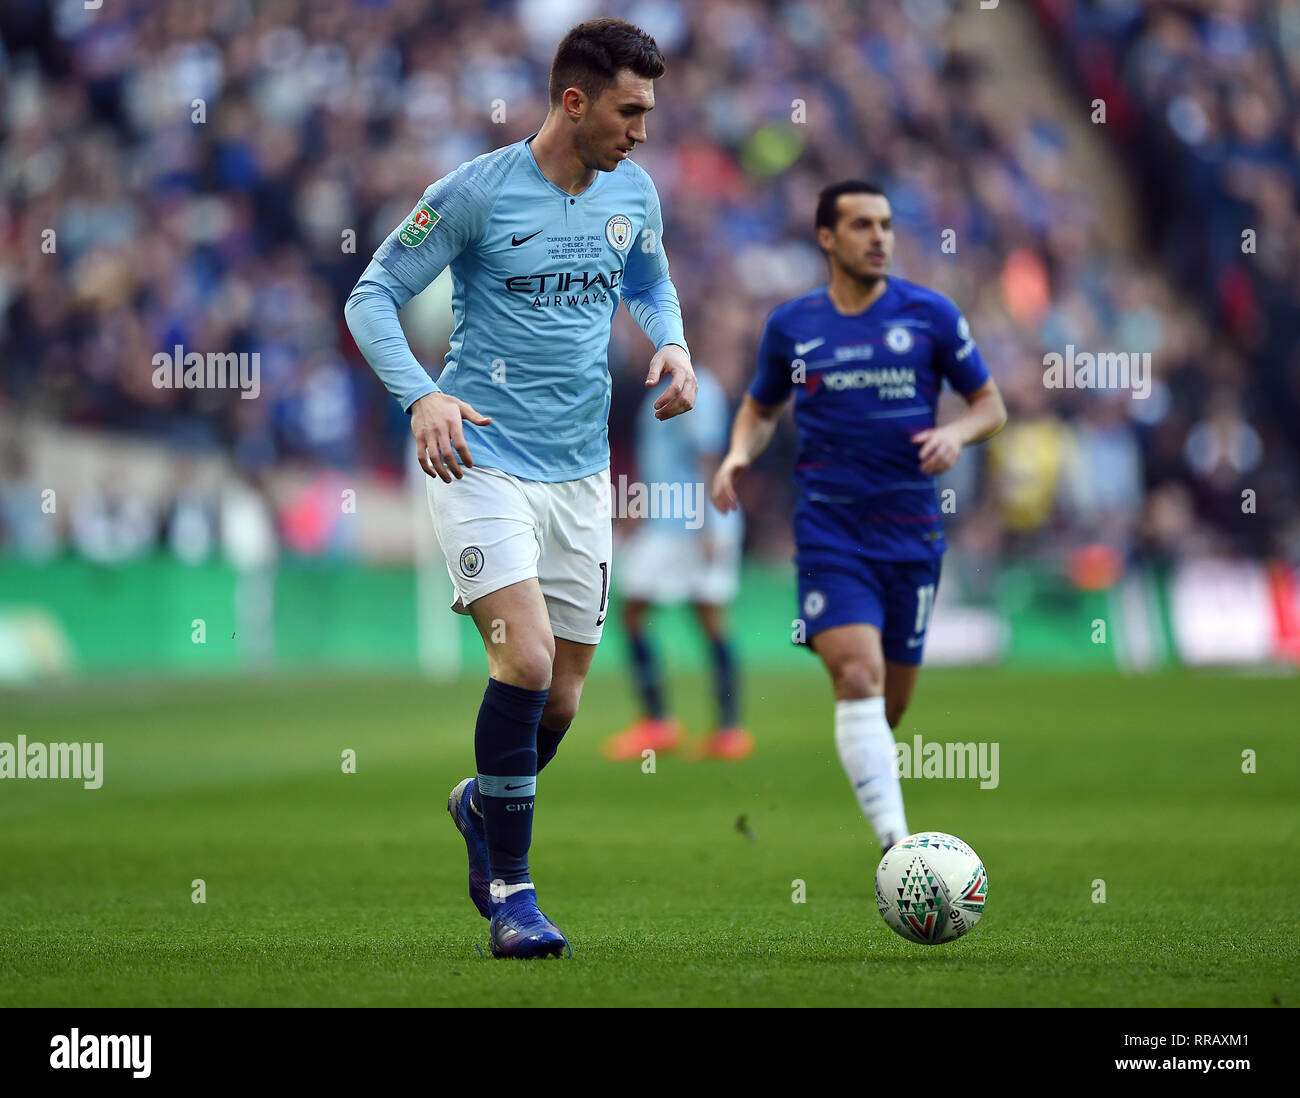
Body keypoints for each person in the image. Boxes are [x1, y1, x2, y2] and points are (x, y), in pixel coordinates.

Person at [344, 19, 696, 958]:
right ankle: (513, 894)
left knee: (565, 702)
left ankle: (480, 805)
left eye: (650, 112)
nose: (643, 130)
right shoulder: (475, 193)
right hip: (481, 459)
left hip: (582, 474)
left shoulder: (635, 191)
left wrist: (672, 341)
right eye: (630, 111)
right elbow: (369, 295)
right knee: (527, 661)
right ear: (574, 101)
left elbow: (652, 283)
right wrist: (421, 397)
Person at [711, 181, 1006, 855]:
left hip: (912, 536)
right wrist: (735, 454)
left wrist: (958, 435)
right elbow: (760, 408)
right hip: (830, 531)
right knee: (857, 676)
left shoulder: (929, 315)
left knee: (889, 705)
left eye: (886, 225)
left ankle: (882, 796)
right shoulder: (793, 326)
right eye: (863, 225)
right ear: (827, 238)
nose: (880, 237)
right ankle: (898, 848)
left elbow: (991, 405)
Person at [603, 364, 751, 762]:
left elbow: (706, 456)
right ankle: (683, 726)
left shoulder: (699, 386)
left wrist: (706, 525)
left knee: (691, 616)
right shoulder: (659, 386)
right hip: (665, 520)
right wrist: (635, 514)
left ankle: (715, 728)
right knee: (643, 613)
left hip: (689, 522)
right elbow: (658, 461)